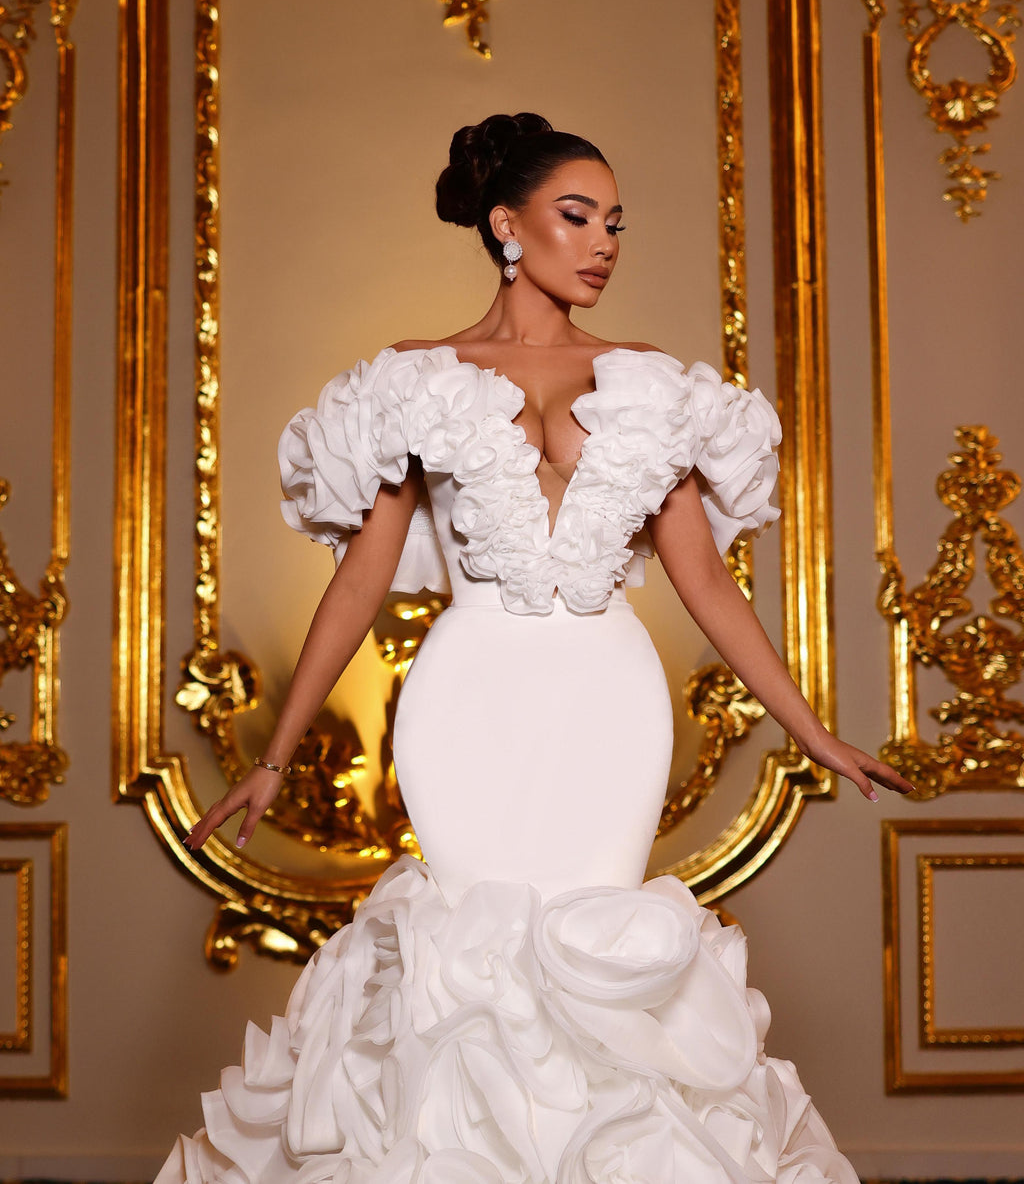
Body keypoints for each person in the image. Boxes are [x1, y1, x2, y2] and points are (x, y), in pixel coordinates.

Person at [161, 112, 911, 1184]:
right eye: (577, 216)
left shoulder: (653, 384)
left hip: (606, 703)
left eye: (614, 222)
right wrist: (273, 755)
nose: (603, 241)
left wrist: (816, 734)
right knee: (467, 965)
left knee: (595, 952)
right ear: (507, 226)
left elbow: (704, 583)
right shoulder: (416, 380)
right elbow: (361, 581)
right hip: (470, 702)